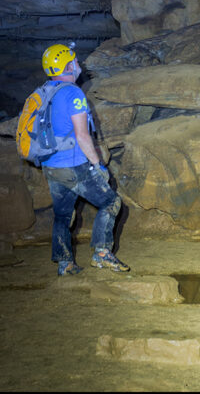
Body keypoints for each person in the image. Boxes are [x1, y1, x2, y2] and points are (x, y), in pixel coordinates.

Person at [40, 42, 130, 276]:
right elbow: (82, 135)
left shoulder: (43, 93)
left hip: (50, 166)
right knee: (111, 202)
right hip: (74, 165)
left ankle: (65, 264)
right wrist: (97, 165)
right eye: (75, 61)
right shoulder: (72, 93)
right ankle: (101, 253)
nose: (79, 64)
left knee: (62, 215)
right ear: (68, 66)